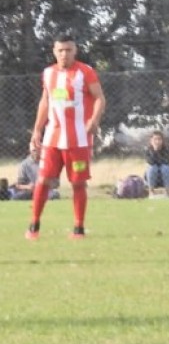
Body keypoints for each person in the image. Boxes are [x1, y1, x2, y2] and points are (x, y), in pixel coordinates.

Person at [26, 35, 105, 240]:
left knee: (78, 183)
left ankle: (78, 228)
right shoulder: (48, 73)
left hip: (79, 139)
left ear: (75, 50)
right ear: (54, 51)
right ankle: (34, 225)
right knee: (43, 180)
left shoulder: (85, 72)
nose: (64, 54)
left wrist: (94, 120)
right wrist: (37, 130)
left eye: (68, 50)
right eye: (60, 50)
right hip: (53, 138)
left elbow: (99, 97)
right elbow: (45, 102)